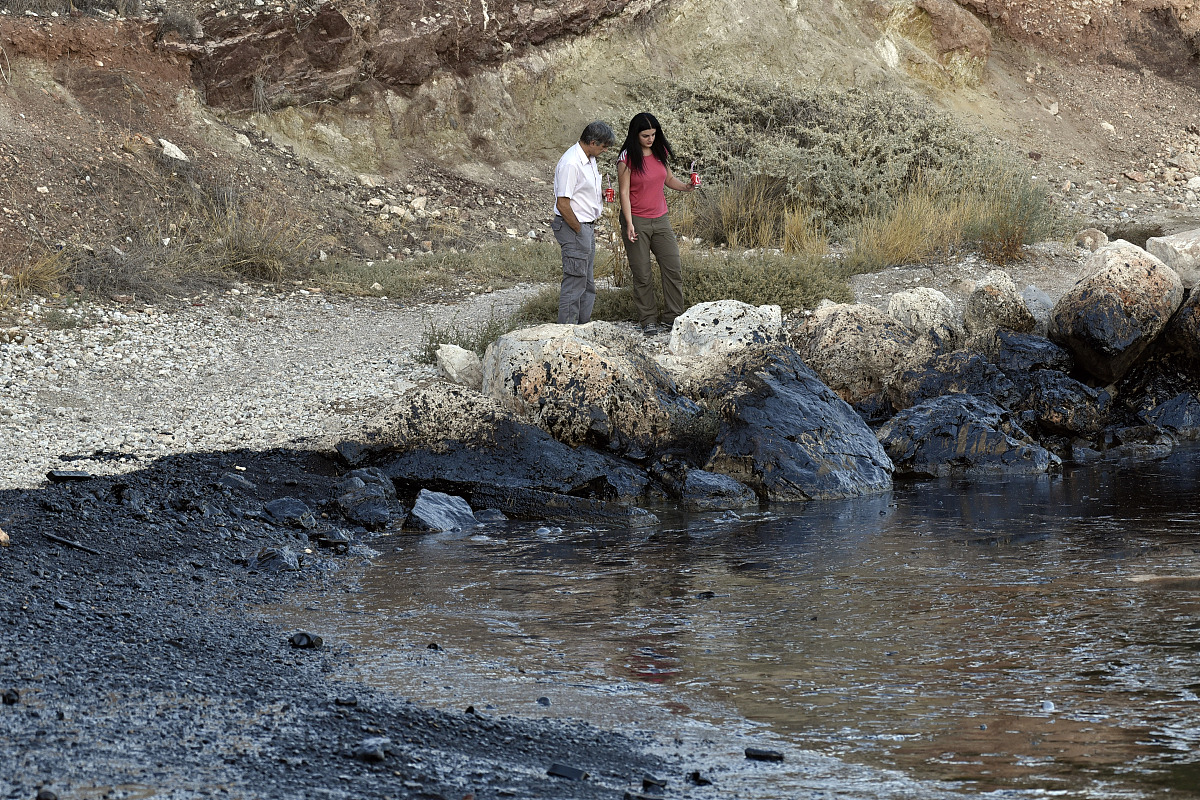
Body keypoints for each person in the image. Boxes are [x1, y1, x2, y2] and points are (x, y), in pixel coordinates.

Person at [617, 112, 695, 337]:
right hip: (637, 219)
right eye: (645, 135)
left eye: (653, 134)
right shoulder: (626, 158)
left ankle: (672, 317)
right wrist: (629, 223)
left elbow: (668, 179)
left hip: (661, 219)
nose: (650, 139)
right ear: (635, 134)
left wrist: (686, 187)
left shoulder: (660, 152)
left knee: (672, 267)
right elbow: (623, 192)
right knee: (642, 273)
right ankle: (648, 319)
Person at [552, 120, 615, 325]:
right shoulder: (571, 163)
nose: (605, 150)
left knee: (587, 283)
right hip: (574, 226)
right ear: (592, 142)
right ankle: (567, 333)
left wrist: (601, 197)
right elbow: (563, 203)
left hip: (587, 226)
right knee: (574, 283)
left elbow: (581, 193)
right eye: (603, 146)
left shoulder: (589, 158)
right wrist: (579, 230)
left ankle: (582, 328)